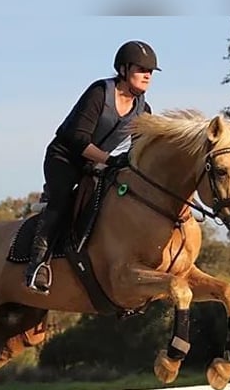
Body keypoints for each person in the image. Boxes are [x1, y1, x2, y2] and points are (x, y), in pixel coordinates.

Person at [25, 40, 160, 293]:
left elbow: (139, 152)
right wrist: (109, 160)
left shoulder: (144, 110)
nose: (147, 76)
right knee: (62, 201)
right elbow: (78, 140)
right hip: (64, 158)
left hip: (96, 165)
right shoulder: (100, 92)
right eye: (142, 69)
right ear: (123, 69)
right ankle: (38, 265)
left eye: (150, 72)